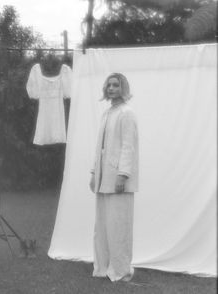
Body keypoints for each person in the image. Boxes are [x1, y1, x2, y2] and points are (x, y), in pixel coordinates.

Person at [89, 73, 139, 282]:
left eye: (115, 85)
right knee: (102, 226)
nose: (111, 88)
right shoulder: (107, 113)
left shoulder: (127, 113)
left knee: (119, 226)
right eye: (109, 85)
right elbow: (100, 147)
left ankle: (121, 269)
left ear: (123, 88)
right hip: (103, 177)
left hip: (118, 179)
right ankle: (103, 267)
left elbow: (129, 146)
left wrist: (123, 174)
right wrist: (94, 172)